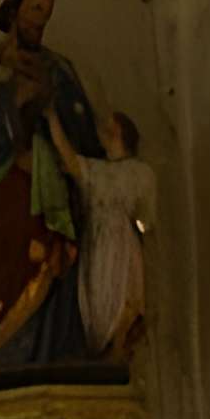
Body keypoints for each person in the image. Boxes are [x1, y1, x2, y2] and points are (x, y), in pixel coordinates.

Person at [0, 0, 105, 384]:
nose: (40, 18)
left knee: (65, 261)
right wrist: (16, 103)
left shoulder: (60, 69)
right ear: (14, 12)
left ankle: (61, 348)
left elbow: (83, 129)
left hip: (57, 182)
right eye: (34, 8)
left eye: (47, 11)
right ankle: (12, 350)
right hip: (16, 187)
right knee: (23, 256)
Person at [51, 108, 153, 362]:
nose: (99, 131)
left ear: (116, 132)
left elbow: (147, 220)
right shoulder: (97, 170)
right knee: (97, 299)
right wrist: (52, 117)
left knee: (122, 300)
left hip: (119, 242)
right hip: (97, 242)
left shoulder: (140, 173)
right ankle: (103, 353)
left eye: (105, 126)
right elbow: (70, 159)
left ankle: (116, 352)